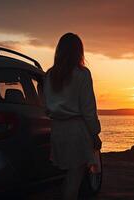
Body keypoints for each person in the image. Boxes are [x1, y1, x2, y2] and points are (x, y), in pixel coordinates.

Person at [43, 32, 102, 200]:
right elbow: (88, 109)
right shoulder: (82, 74)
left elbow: (46, 107)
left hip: (57, 130)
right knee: (74, 180)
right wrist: (95, 133)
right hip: (76, 130)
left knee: (68, 178)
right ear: (78, 52)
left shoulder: (49, 75)